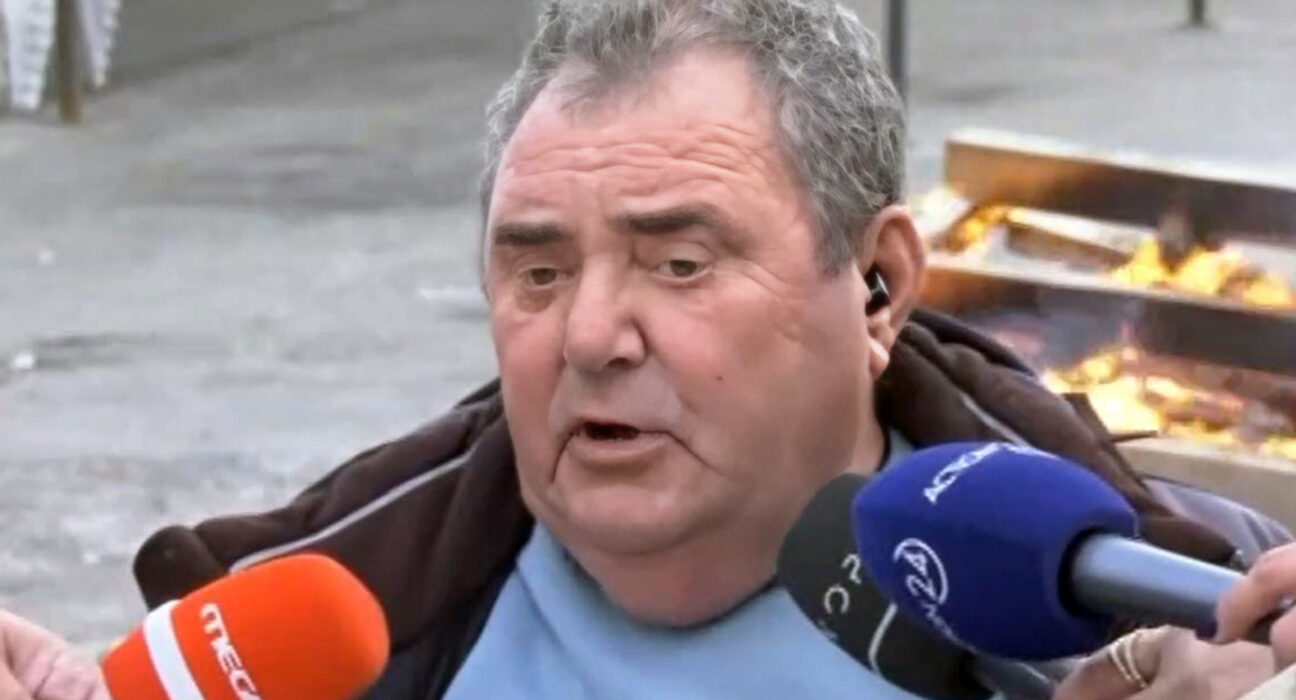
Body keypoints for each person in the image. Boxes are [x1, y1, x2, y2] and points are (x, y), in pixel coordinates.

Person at [1, 1, 1294, 698]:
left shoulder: (1182, 612)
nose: (590, 335)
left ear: (879, 288)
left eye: (680, 263)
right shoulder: (340, 613)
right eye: (538, 270)